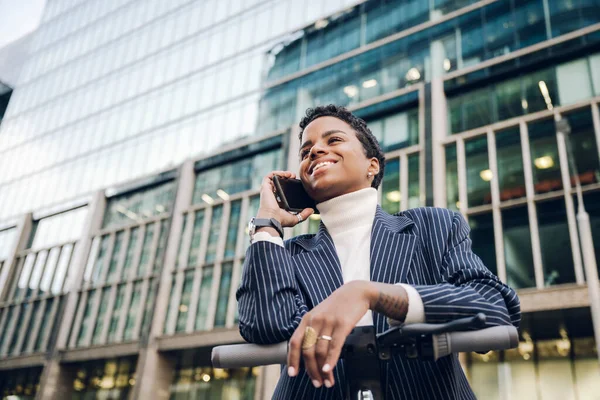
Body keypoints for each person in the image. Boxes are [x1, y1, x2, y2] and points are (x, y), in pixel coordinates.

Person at [236, 104, 520, 399]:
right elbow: (265, 326)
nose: (315, 152)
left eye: (333, 141)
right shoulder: (289, 254)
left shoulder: (433, 227)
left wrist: (374, 294)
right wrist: (267, 224)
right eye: (306, 151)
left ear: (372, 165)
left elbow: (496, 308)